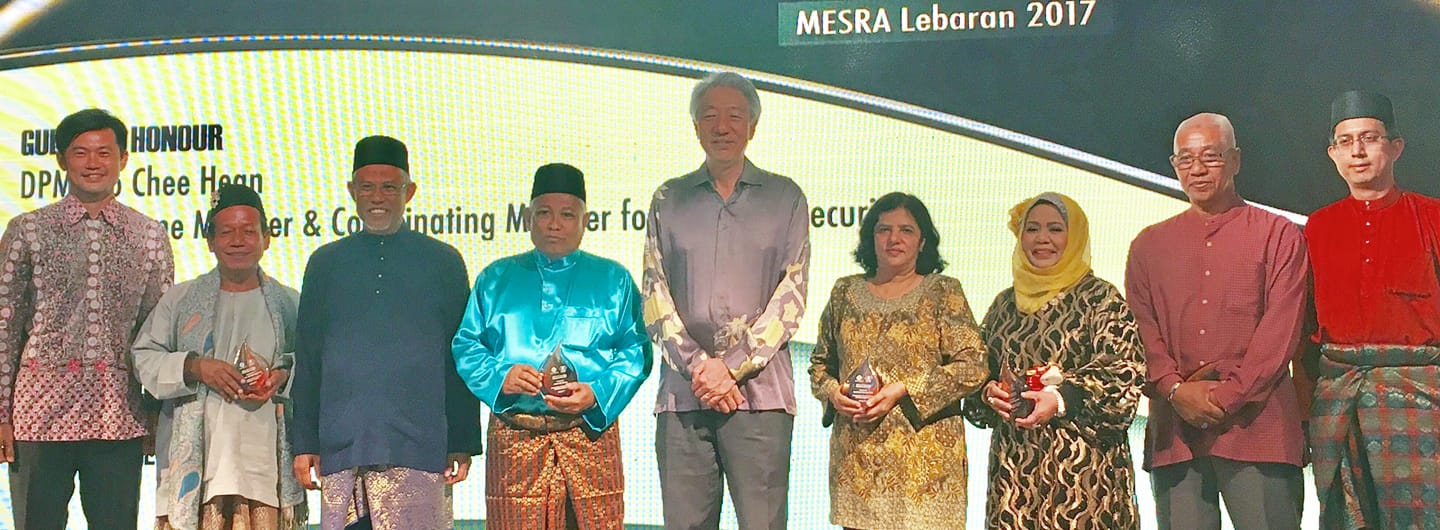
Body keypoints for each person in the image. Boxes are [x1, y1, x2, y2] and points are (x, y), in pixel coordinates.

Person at [288, 135, 482, 529]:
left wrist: (462, 439)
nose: (378, 197)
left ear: (409, 192)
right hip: (343, 446)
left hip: (419, 447)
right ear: (351, 191)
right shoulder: (325, 263)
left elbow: (458, 357)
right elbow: (308, 359)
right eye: (368, 187)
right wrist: (305, 443)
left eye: (390, 187)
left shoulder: (443, 262)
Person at [1126, 113, 1309, 530]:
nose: (1197, 169)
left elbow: (1281, 332)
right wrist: (1174, 390)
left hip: (1258, 428)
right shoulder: (1148, 246)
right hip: (1175, 434)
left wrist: (1227, 397)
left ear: (1236, 160)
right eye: (1185, 159)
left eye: (1211, 156)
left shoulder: (1279, 235)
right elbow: (1141, 331)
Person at [645, 71, 810, 529]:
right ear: (695, 126)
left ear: (752, 127)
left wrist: (730, 366)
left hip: (761, 399)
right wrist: (703, 370)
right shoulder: (667, 199)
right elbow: (655, 295)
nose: (722, 127)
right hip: (684, 396)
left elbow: (790, 298)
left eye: (735, 116)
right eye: (710, 116)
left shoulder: (786, 198)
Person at [452, 163, 652, 529]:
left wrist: (596, 393)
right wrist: (501, 376)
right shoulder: (495, 279)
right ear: (528, 217)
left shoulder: (613, 280)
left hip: (589, 435)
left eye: (566, 214)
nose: (554, 224)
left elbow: (635, 350)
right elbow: (466, 344)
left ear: (585, 220)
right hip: (516, 437)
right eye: (544, 213)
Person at [0, 108, 174, 529]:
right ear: (62, 160)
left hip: (119, 415)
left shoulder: (148, 234)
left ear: (123, 159)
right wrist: (1, 414)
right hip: (36, 416)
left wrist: (156, 413)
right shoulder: (28, 230)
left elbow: (158, 331)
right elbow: (4, 326)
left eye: (103, 152)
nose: (93, 163)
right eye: (80, 152)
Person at [962, 192, 1144, 529]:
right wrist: (989, 393)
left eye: (1055, 229)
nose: (1042, 239)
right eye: (1032, 229)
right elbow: (975, 375)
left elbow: (1124, 377)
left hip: (1084, 478)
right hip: (1015, 478)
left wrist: (1060, 399)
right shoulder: (1004, 305)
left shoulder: (1100, 299)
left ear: (1073, 237)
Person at [807, 192, 987, 529]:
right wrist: (834, 393)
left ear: (923, 242)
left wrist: (904, 388)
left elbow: (974, 364)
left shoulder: (943, 291)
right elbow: (820, 365)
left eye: (906, 230)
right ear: (870, 238)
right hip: (858, 468)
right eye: (883, 229)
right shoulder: (844, 292)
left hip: (925, 474)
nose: (893, 239)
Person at [133, 183, 306, 529]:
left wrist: (283, 376)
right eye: (226, 232)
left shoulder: (290, 303)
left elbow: (313, 364)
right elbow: (143, 358)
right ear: (210, 241)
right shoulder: (180, 301)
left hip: (263, 467)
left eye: (248, 231)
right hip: (200, 465)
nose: (237, 241)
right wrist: (195, 367)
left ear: (267, 238)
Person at [1305, 90, 1440, 529]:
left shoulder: (1432, 217)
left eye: (1370, 138)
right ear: (1332, 154)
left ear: (1395, 147)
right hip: (1339, 398)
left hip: (1422, 400)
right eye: (1345, 141)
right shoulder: (1317, 227)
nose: (1357, 151)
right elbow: (1305, 327)